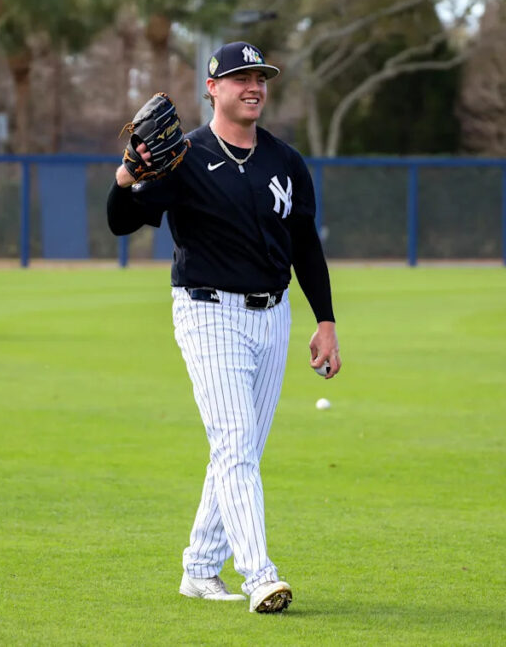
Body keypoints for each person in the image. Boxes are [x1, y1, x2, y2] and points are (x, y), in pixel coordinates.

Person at [107, 41, 341, 614]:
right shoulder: (182, 157)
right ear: (212, 88)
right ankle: (259, 574)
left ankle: (199, 568)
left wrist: (326, 320)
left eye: (259, 77)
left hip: (273, 315)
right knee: (236, 444)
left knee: (239, 451)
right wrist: (127, 173)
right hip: (207, 311)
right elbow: (120, 222)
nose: (253, 86)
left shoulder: (285, 161)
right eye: (239, 78)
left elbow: (305, 245)